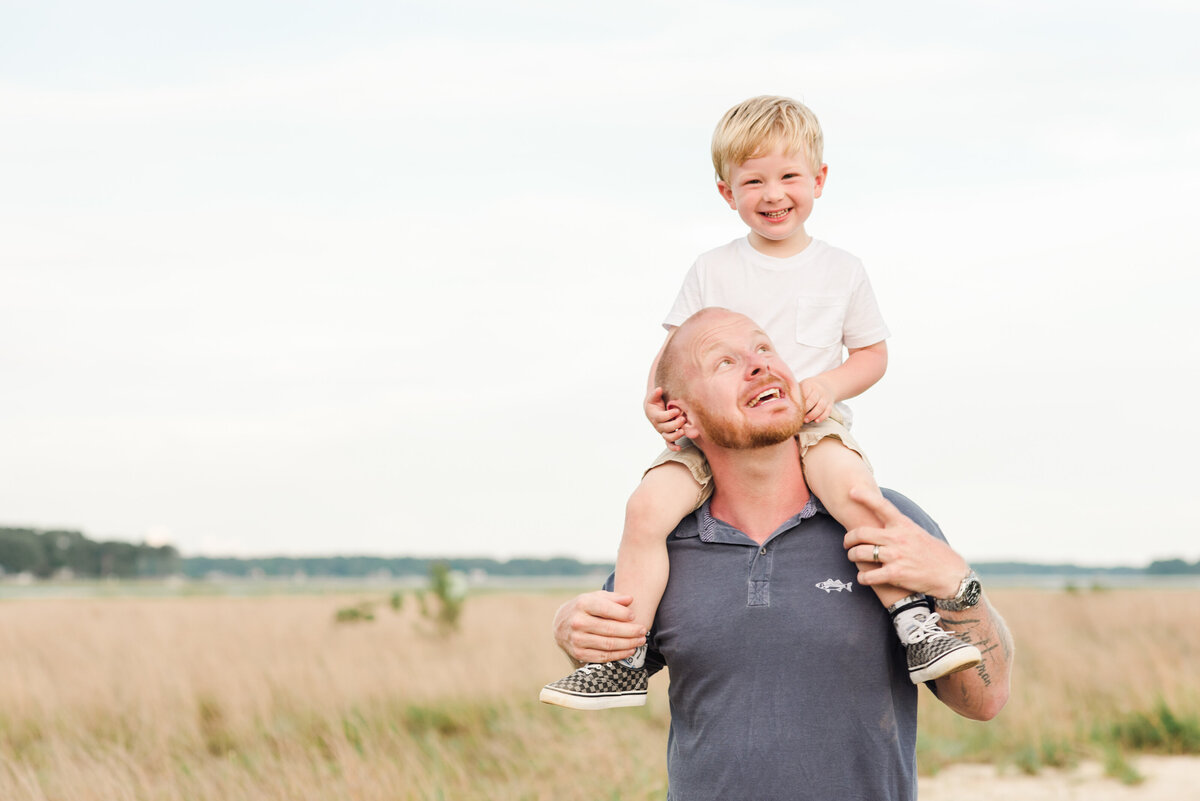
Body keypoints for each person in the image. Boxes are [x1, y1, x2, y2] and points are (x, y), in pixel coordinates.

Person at [541, 96, 977, 709]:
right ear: (727, 193)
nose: (774, 194)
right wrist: (656, 401)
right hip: (714, 435)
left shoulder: (841, 269)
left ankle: (912, 622)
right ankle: (625, 654)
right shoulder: (713, 268)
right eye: (754, 181)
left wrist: (829, 385)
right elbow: (674, 351)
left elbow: (872, 356)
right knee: (646, 510)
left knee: (858, 497)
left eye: (789, 176)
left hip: (812, 423)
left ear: (819, 181)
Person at [547, 308, 1013, 800]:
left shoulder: (882, 518)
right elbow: (612, 648)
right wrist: (568, 628)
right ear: (680, 414)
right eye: (723, 362)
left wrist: (960, 588)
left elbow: (983, 703)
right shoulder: (663, 544)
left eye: (765, 348)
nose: (758, 365)